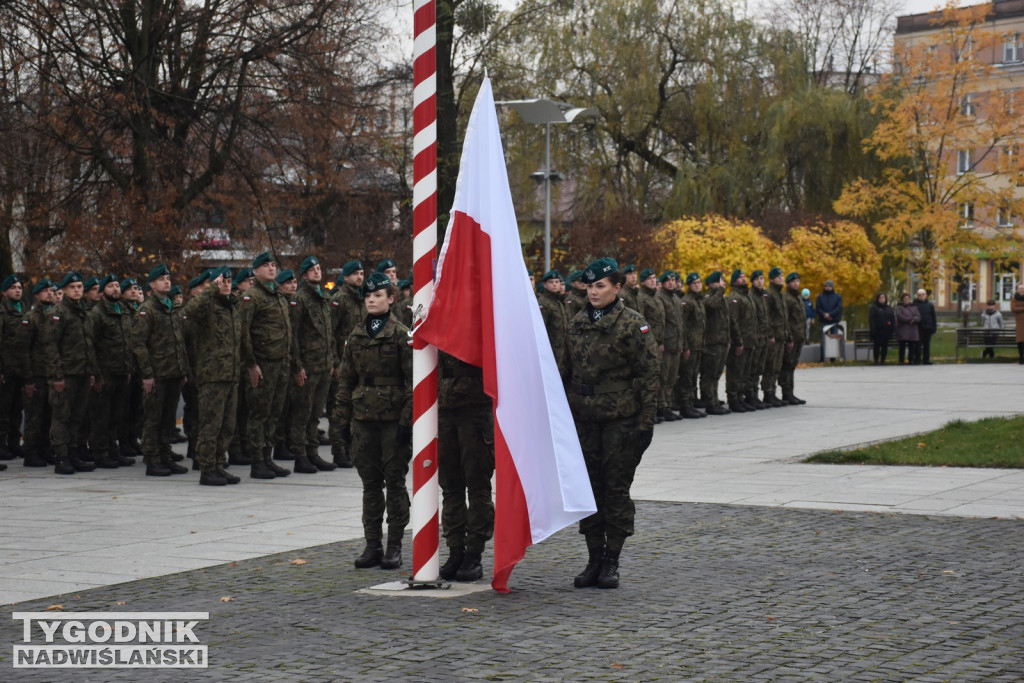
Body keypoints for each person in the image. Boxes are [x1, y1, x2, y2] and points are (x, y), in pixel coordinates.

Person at [565, 258, 659, 589]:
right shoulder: (576, 323)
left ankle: (611, 560)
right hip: (585, 420)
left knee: (615, 489)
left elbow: (648, 374)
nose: (593, 292)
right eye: (589, 286)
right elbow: (566, 372)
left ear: (616, 288)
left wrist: (646, 422)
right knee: (588, 489)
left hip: (621, 419)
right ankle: (593, 558)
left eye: (600, 286)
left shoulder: (634, 324)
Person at [333, 272, 413, 570]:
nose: (371, 300)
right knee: (370, 484)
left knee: (394, 483)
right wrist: (340, 420)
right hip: (363, 419)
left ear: (391, 299)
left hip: (392, 422)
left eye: (377, 295)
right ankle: (372, 544)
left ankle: (394, 546)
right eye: (367, 296)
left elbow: (412, 383)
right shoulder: (355, 336)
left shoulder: (402, 334)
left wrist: (407, 422)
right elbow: (346, 382)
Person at [437, 352, 494, 582]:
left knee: (477, 485)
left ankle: (474, 553)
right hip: (445, 406)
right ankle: (455, 549)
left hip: (476, 407)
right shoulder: (439, 317)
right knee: (450, 486)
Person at [184, 268, 243, 486]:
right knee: (211, 424)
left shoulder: (231, 307)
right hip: (212, 375)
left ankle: (219, 464)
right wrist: (209, 289)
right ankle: (207, 468)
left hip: (231, 374)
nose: (226, 285)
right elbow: (188, 311)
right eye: (222, 281)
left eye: (228, 281)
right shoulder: (206, 305)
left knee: (227, 426)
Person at [240, 252, 296, 479]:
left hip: (281, 363)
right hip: (262, 364)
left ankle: (267, 457)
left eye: (273, 265)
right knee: (259, 414)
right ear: (255, 271)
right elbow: (243, 333)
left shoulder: (278, 296)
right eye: (266, 265)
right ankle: (256, 462)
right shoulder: (252, 297)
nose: (272, 268)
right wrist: (251, 364)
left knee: (274, 413)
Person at [132, 264, 190, 477]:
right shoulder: (147, 310)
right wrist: (147, 374)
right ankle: (152, 459)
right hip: (156, 375)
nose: (167, 281)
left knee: (168, 419)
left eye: (168, 278)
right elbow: (138, 344)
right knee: (153, 419)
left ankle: (165, 455)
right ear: (152, 285)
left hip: (173, 373)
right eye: (162, 279)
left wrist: (183, 369)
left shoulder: (171, 308)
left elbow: (178, 342)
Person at [42, 272, 98, 475]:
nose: (77, 290)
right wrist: (56, 376)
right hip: (65, 374)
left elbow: (88, 344)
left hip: (82, 372)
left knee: (78, 416)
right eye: (73, 287)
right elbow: (50, 346)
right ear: (64, 290)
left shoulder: (83, 312)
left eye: (80, 286)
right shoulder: (58, 313)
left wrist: (91, 371)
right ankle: (62, 457)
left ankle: (73, 454)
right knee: (61, 416)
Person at [287, 256, 338, 473]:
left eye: (318, 268)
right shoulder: (300, 299)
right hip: (307, 366)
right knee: (303, 413)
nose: (317, 271)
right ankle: (300, 456)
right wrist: (297, 366)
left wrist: (333, 361)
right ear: (305, 275)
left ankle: (313, 453)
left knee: (316, 414)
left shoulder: (324, 298)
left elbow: (329, 334)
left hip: (324, 365)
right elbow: (293, 335)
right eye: (312, 269)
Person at [85, 274, 134, 468]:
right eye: (110, 286)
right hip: (105, 373)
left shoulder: (123, 310)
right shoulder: (96, 313)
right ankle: (100, 452)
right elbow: (90, 345)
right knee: (101, 416)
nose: (115, 289)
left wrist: (129, 367)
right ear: (102, 291)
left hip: (122, 371)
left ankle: (113, 451)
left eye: (116, 286)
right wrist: (95, 374)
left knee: (116, 415)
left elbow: (128, 341)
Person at [328, 260, 365, 469]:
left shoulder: (363, 300)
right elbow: (331, 334)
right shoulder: (339, 300)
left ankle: (352, 449)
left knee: (356, 409)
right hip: (343, 363)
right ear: (346, 277)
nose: (360, 277)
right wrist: (334, 363)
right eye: (355, 274)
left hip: (359, 363)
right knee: (340, 409)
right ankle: (339, 450)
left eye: (361, 273)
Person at [20, 279, 56, 467]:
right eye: (45, 291)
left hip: (51, 373)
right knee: (35, 415)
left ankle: (45, 449)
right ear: (36, 295)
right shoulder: (31, 318)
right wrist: (28, 378)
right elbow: (24, 350)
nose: (49, 293)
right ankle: (31, 452)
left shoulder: (54, 316)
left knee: (48, 415)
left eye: (51, 290)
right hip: (36, 374)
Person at [0, 274, 30, 461]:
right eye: (13, 287)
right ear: (4, 292)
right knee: (3, 409)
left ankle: (13, 443)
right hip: (6, 368)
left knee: (16, 408)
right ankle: (1, 445)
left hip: (21, 368)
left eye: (19, 287)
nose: (18, 290)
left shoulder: (23, 310)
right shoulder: (2, 312)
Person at [699, 271, 731, 415]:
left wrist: (727, 340)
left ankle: (714, 398)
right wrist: (720, 291)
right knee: (710, 374)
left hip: (721, 341)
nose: (722, 284)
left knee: (717, 373)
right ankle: (710, 402)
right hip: (711, 343)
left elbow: (726, 321)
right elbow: (711, 305)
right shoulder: (708, 297)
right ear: (711, 284)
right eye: (719, 281)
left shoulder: (721, 298)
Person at [676, 272, 706, 418]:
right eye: (695, 283)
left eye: (699, 282)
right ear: (689, 285)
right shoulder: (687, 301)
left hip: (698, 344)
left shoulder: (698, 301)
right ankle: (685, 405)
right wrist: (685, 346)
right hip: (691, 345)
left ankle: (691, 403)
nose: (698, 285)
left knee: (693, 375)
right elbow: (684, 326)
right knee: (686, 376)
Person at [725, 270, 753, 413]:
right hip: (739, 342)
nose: (744, 279)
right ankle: (733, 399)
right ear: (734, 281)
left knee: (744, 372)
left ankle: (741, 397)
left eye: (744, 276)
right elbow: (733, 321)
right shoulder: (734, 298)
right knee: (735, 371)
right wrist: (738, 341)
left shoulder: (746, 296)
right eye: (740, 277)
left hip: (748, 340)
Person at [655, 271, 682, 421]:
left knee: (672, 377)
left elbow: (680, 324)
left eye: (673, 280)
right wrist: (660, 342)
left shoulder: (676, 299)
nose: (671, 283)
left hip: (676, 343)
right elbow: (661, 323)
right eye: (668, 280)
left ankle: (668, 404)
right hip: (666, 343)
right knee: (663, 377)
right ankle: (662, 406)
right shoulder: (660, 298)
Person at [761, 268, 789, 407]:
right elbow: (767, 317)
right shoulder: (769, 294)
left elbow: (783, 317)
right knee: (770, 365)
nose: (781, 278)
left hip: (781, 335)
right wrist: (770, 334)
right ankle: (768, 392)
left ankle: (773, 392)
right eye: (778, 277)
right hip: (773, 337)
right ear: (771, 279)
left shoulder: (780, 295)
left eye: (782, 276)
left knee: (777, 366)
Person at [780, 273, 807, 405]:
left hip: (798, 337)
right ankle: (786, 393)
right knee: (787, 365)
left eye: (798, 281)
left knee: (792, 366)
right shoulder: (787, 299)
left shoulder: (798, 298)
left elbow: (801, 320)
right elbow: (786, 320)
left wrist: (803, 336)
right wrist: (789, 338)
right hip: (791, 338)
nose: (796, 284)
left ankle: (791, 392)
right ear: (788, 283)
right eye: (794, 281)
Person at [538, 269, 570, 375]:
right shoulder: (543, 303)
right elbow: (541, 329)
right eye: (551, 282)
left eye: (557, 282)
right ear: (545, 285)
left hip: (563, 350)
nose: (555, 285)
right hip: (552, 350)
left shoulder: (560, 302)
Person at [815, 280, 842, 360]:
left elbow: (839, 308)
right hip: (823, 321)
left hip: (834, 321)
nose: (828, 287)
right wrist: (824, 314)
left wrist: (830, 314)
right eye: (826, 286)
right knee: (823, 340)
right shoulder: (820, 297)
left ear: (832, 287)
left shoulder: (837, 297)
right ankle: (822, 358)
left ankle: (833, 358)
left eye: (829, 286)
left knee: (833, 340)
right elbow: (818, 308)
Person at [868, 292, 896, 365]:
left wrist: (892, 328)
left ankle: (883, 360)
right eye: (880, 298)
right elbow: (872, 319)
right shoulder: (874, 308)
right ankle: (876, 360)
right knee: (876, 346)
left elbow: (892, 319)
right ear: (877, 299)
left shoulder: (889, 308)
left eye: (883, 297)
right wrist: (873, 330)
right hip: (877, 331)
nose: (882, 299)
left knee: (885, 346)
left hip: (886, 331)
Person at [894, 292, 921, 365]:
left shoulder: (914, 307)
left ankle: (911, 359)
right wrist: (910, 319)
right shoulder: (899, 307)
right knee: (902, 346)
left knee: (911, 346)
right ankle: (901, 360)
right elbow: (899, 316)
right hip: (903, 329)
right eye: (905, 299)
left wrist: (914, 319)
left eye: (908, 298)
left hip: (912, 330)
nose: (907, 300)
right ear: (902, 299)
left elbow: (918, 317)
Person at [914, 289, 937, 365]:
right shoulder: (914, 304)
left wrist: (934, 327)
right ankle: (917, 359)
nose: (921, 296)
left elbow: (934, 317)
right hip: (918, 328)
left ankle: (926, 360)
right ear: (917, 296)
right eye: (919, 295)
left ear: (926, 295)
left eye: (923, 294)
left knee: (927, 345)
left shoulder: (930, 305)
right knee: (918, 345)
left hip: (928, 328)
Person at [1012, 283, 1024, 364]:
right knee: (1020, 340)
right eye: (1020, 288)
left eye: (1023, 288)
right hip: (1020, 322)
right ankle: (1021, 357)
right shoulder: (1014, 299)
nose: (1022, 289)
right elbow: (1013, 309)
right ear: (1017, 289)